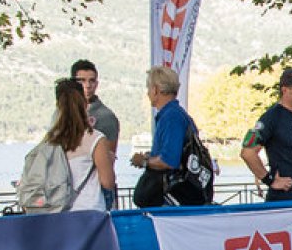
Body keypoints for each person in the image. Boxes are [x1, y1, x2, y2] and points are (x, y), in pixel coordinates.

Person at [240, 68, 292, 201]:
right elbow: (247, 153)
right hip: (285, 198)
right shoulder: (272, 117)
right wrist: (269, 180)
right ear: (285, 90)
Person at [42, 77, 116, 211]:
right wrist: (108, 160)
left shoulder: (50, 141)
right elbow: (108, 183)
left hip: (59, 213)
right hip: (90, 213)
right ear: (84, 104)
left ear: (58, 105)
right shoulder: (95, 139)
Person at [129, 66, 191, 207]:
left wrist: (144, 161)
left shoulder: (171, 117)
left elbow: (169, 160)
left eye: (148, 88)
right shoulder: (177, 114)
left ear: (155, 90)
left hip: (171, 200)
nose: (147, 93)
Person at [70, 59, 120, 209]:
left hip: (95, 193)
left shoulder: (106, 117)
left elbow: (109, 158)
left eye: (91, 81)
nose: (87, 85)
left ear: (97, 84)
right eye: (82, 80)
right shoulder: (61, 114)